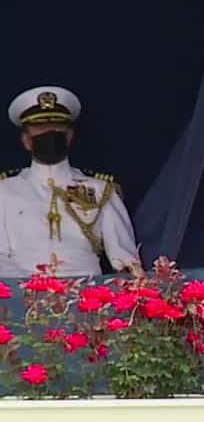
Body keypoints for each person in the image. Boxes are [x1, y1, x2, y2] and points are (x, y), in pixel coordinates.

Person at [0, 86, 142, 278]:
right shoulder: (5, 190)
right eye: (41, 129)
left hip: (87, 297)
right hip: (21, 295)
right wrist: (32, 291)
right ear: (26, 140)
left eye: (57, 129)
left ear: (69, 136)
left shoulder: (100, 189)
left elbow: (125, 257)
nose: (50, 134)